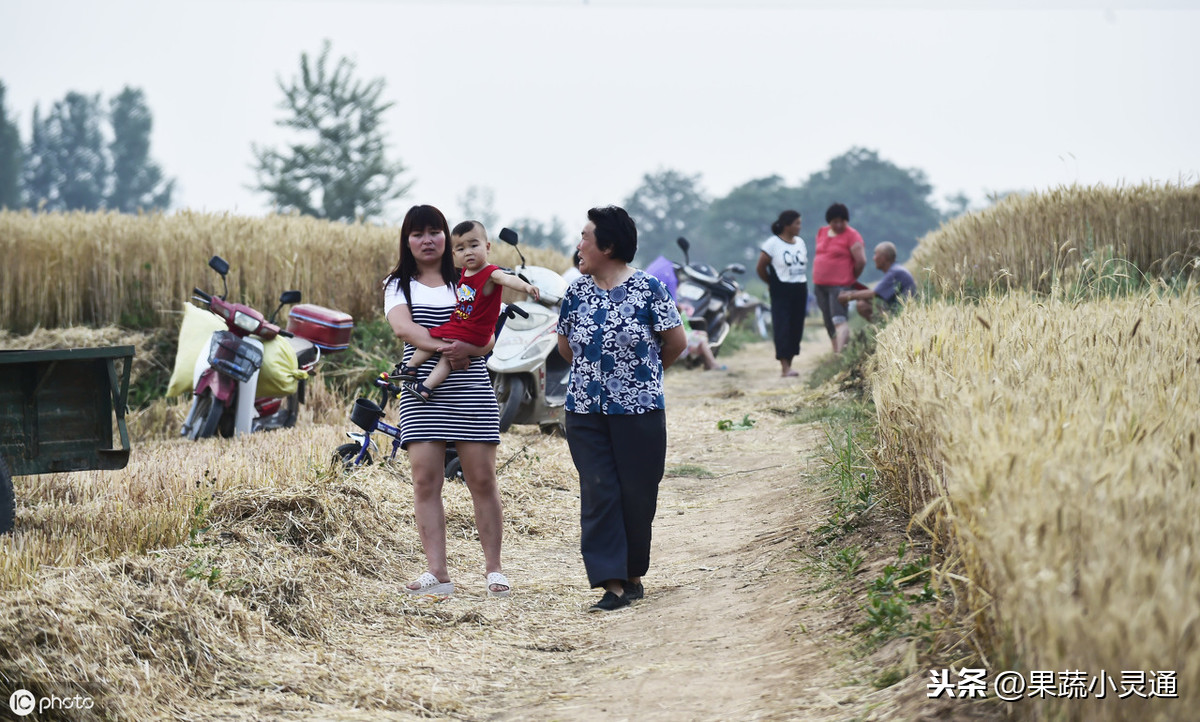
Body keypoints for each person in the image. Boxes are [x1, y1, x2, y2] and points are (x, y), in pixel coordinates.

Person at [556, 206, 687, 612]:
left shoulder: (649, 289)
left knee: (638, 492)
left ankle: (632, 575)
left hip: (640, 411)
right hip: (585, 411)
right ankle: (610, 583)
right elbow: (565, 348)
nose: (578, 246)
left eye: (585, 237)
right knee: (599, 490)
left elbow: (676, 343)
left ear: (608, 245)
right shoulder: (576, 292)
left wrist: (642, 377)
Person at [383, 204, 510, 598]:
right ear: (407, 240)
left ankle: (494, 571)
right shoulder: (397, 284)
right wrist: (452, 345)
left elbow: (489, 336)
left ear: (447, 238)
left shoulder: (472, 278)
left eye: (434, 232)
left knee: (482, 479)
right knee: (425, 480)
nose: (427, 240)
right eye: (418, 233)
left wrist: (466, 351)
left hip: (469, 382)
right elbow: (405, 329)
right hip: (421, 387)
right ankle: (437, 574)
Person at [398, 220, 540, 403]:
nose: (469, 252)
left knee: (435, 336)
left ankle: (410, 367)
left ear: (487, 246)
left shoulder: (490, 273)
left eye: (474, 245)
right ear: (454, 253)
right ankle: (425, 387)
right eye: (461, 248)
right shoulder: (465, 272)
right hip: (464, 325)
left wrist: (527, 287)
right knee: (445, 357)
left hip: (475, 330)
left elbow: (508, 279)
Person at [756, 210, 809, 377]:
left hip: (800, 287)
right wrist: (771, 283)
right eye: (797, 223)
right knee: (782, 326)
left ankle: (791, 362)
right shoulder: (773, 243)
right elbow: (761, 267)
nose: (800, 227)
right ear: (787, 225)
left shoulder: (800, 242)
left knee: (796, 326)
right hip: (781, 288)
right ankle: (784, 367)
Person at [811, 203, 866, 354]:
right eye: (835, 221)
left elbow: (860, 261)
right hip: (820, 285)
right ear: (829, 221)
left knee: (839, 320)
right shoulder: (822, 232)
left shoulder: (852, 235)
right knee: (828, 321)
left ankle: (841, 354)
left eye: (842, 221)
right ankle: (835, 352)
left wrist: (850, 277)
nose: (839, 225)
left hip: (840, 286)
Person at [837, 242, 916, 322]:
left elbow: (873, 294)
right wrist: (853, 294)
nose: (873, 258)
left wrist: (848, 297)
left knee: (862, 305)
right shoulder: (896, 270)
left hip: (903, 315)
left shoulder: (895, 272)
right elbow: (876, 295)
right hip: (900, 311)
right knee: (864, 301)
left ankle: (883, 329)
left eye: (875, 254)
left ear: (884, 257)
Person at [677, 302, 726, 371]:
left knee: (702, 339)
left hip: (684, 337)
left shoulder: (680, 307)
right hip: (682, 339)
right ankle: (711, 364)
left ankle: (710, 364)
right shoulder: (677, 308)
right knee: (702, 340)